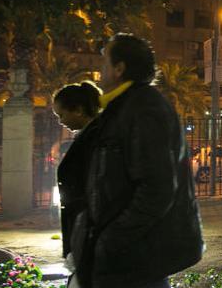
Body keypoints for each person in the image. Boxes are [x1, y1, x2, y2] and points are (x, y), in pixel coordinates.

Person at [71, 33, 204, 288]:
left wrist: (112, 238)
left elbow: (157, 188)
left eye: (105, 63)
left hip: (135, 259)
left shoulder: (143, 109)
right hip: (128, 255)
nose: (100, 71)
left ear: (119, 69)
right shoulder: (122, 107)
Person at [52, 81, 102, 288]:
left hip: (89, 231)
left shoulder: (95, 139)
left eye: (62, 114)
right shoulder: (89, 136)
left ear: (79, 110)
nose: (61, 121)